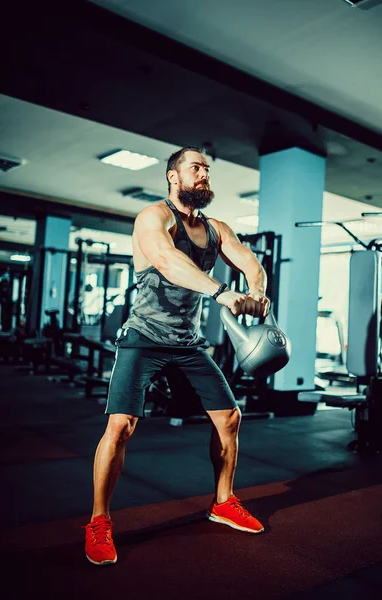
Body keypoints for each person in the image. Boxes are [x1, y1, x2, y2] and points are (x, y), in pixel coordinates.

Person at [84, 146, 270, 566]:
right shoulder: (154, 217)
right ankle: (99, 520)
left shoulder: (217, 228)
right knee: (121, 425)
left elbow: (251, 264)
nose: (204, 174)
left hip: (186, 343)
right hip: (144, 336)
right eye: (196, 168)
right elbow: (168, 261)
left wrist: (255, 294)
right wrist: (224, 293)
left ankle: (222, 502)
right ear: (173, 176)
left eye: (207, 169)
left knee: (230, 417)